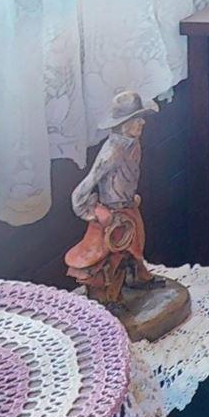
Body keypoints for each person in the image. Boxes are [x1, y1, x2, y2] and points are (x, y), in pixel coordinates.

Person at [65, 89, 155, 310]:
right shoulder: (112, 152)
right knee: (116, 258)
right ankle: (109, 299)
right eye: (137, 119)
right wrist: (92, 212)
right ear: (124, 124)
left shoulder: (132, 143)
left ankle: (136, 280)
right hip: (114, 215)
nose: (142, 123)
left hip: (128, 208)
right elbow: (82, 190)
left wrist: (129, 196)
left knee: (135, 247)